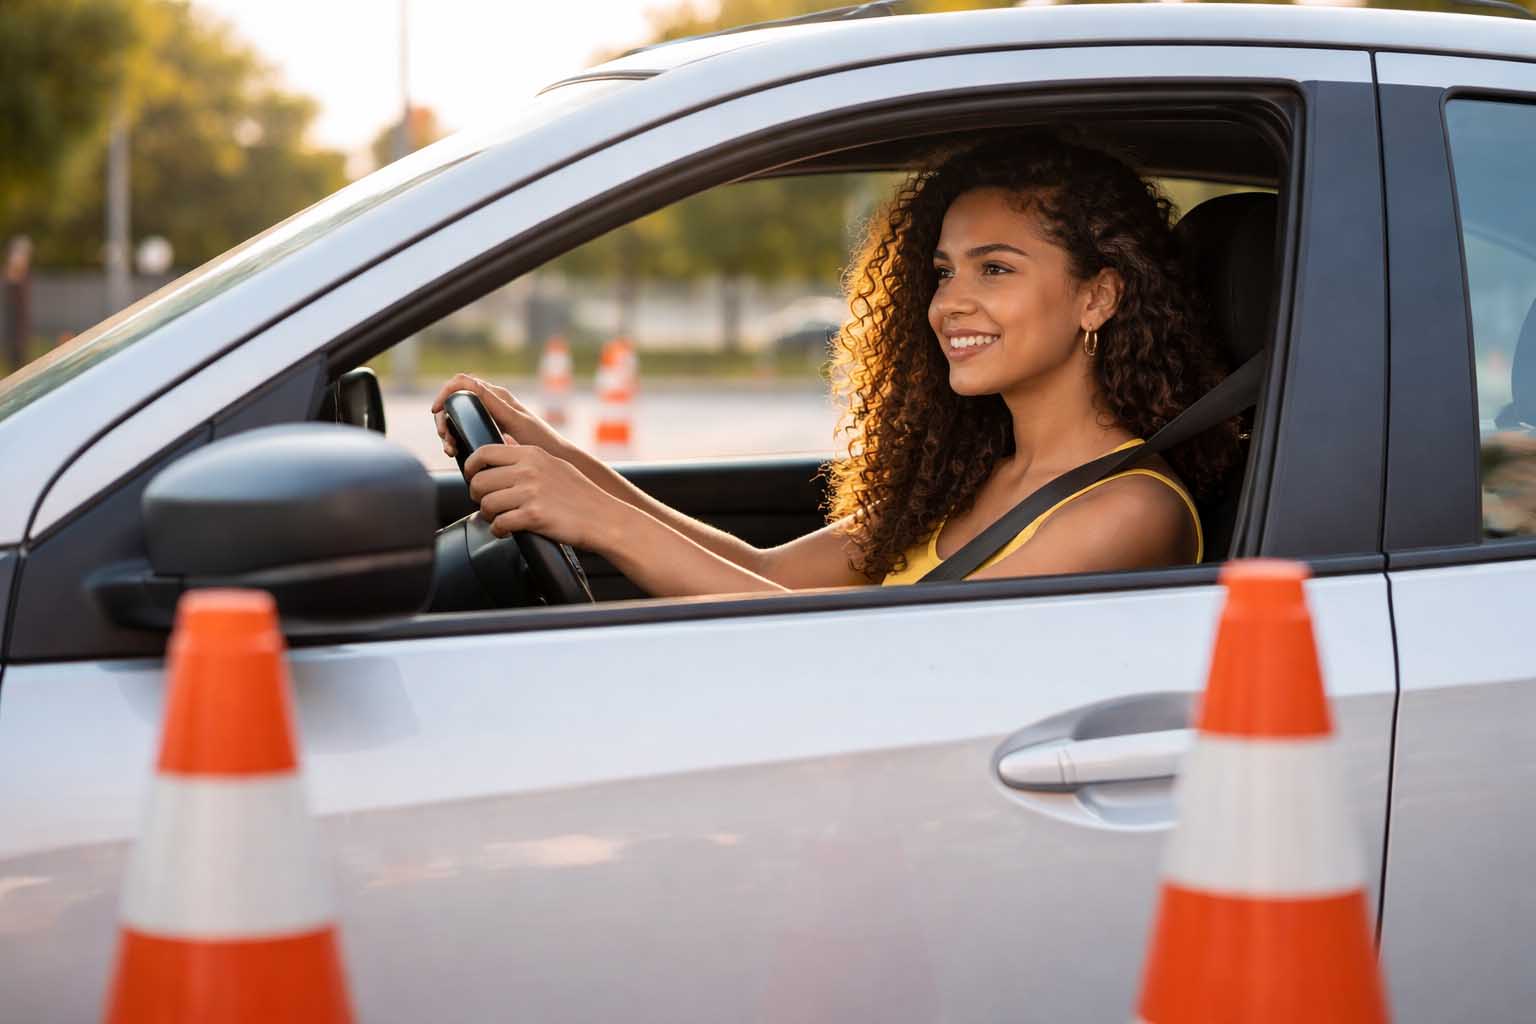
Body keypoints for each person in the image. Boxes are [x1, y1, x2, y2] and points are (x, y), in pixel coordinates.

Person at [431, 131, 1239, 597]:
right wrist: (563, 459)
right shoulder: (981, 477)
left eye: (995, 269)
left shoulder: (1130, 512)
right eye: (944, 271)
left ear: (1098, 297)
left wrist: (596, 518)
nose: (950, 303)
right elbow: (762, 571)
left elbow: (872, 661)